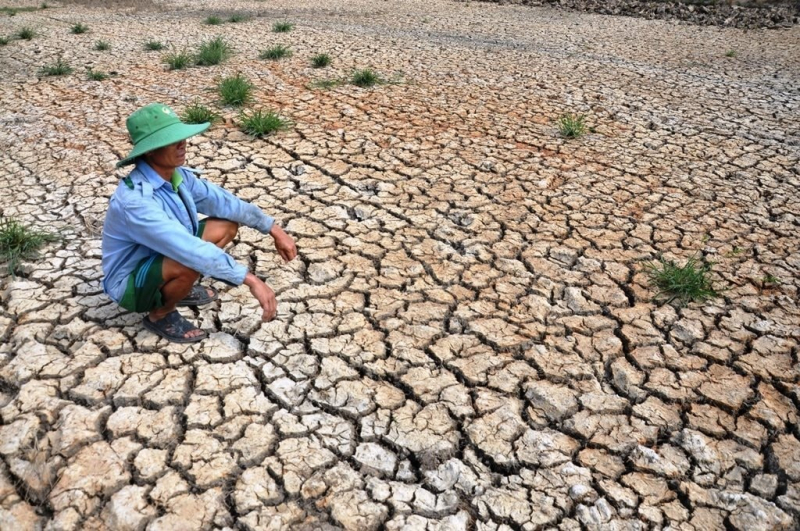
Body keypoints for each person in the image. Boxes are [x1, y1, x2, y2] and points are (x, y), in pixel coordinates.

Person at [102, 103, 297, 343]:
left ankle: (178, 288)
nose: (182, 144)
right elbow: (188, 249)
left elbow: (225, 203)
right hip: (130, 282)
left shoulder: (177, 176)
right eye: (171, 140)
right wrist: (251, 280)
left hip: (161, 255)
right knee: (190, 261)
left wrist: (273, 229)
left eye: (181, 137)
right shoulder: (136, 202)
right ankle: (160, 314)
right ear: (150, 151)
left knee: (226, 225)